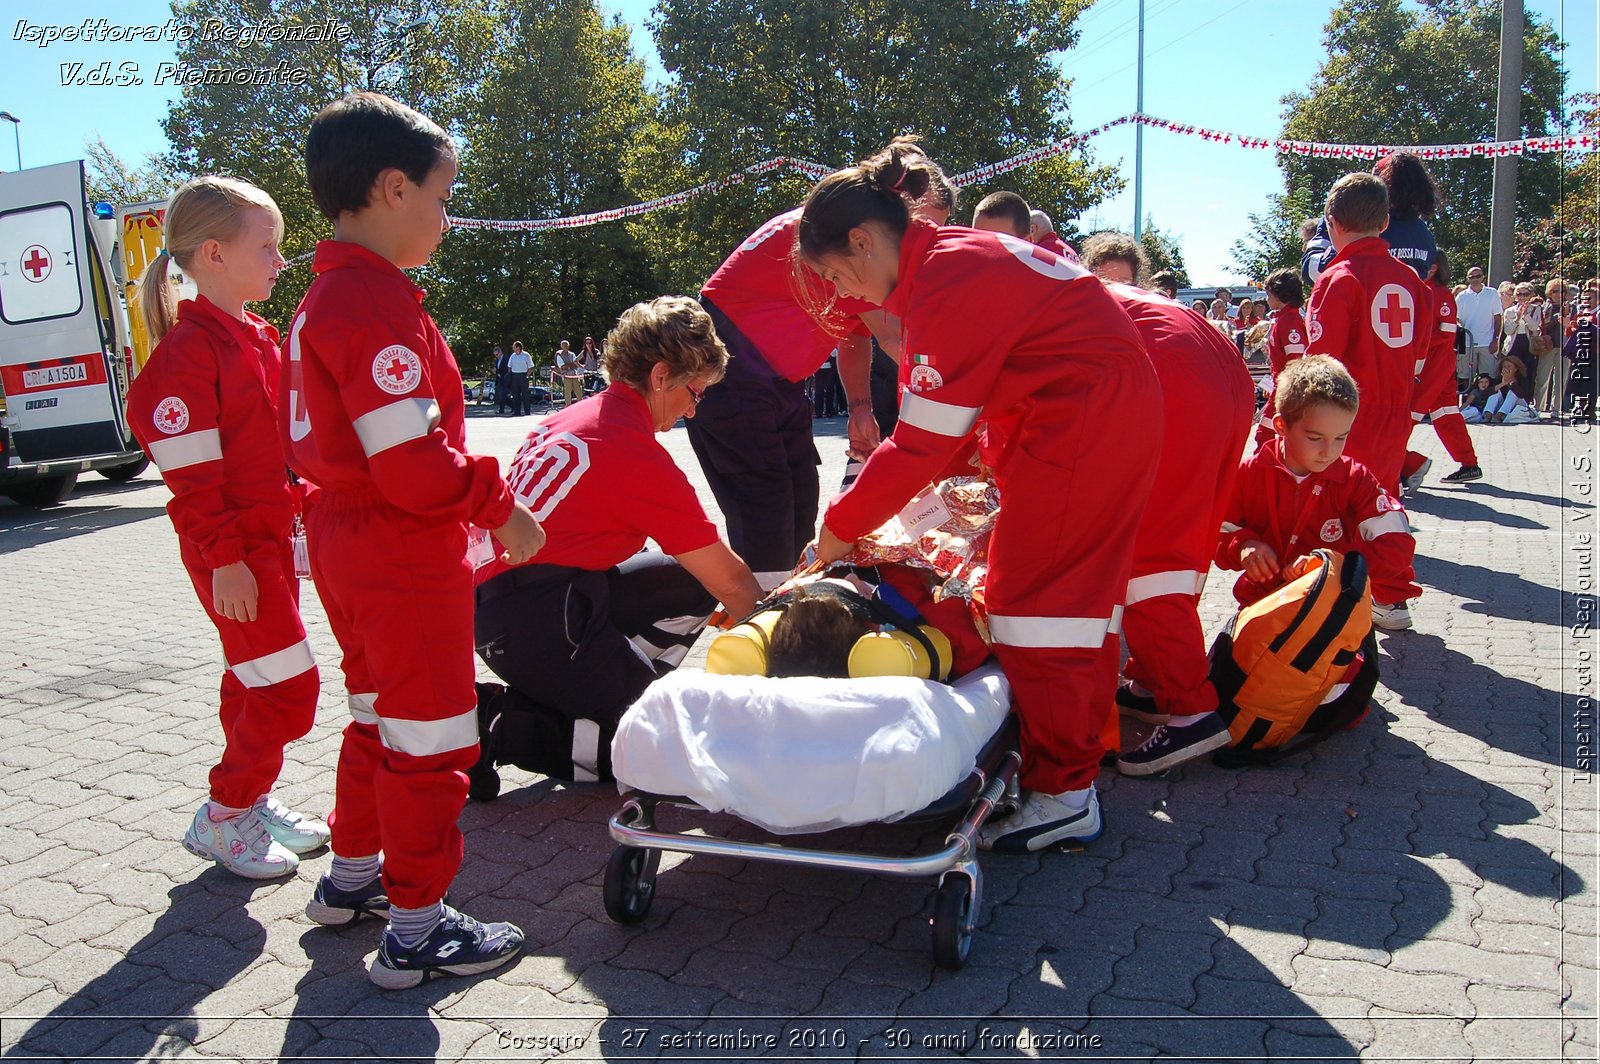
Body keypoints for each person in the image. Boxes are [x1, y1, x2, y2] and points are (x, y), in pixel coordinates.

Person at [799, 141, 1164, 853]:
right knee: (1069, 601)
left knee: (1033, 606)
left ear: (864, 240)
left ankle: (1064, 793)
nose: (846, 292)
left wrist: (839, 528)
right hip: (1088, 416)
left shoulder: (947, 280)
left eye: (841, 273)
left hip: (1080, 424)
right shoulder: (954, 261)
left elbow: (921, 444)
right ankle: (1067, 764)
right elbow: (949, 431)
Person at [287, 91, 545, 989]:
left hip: (349, 541)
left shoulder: (330, 294)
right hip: (398, 542)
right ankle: (418, 930)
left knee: (378, 720)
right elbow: (410, 465)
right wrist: (497, 503)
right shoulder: (370, 302)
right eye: (442, 197)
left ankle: (356, 877)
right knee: (433, 739)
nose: (446, 217)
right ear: (393, 189)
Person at [473, 297, 762, 787]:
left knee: (687, 581)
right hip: (538, 616)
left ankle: (612, 690)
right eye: (695, 391)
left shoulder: (575, 416)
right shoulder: (631, 451)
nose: (695, 407)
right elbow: (732, 581)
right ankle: (492, 726)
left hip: (520, 603)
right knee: (651, 755)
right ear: (660, 376)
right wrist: (783, 648)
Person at [126, 176, 326, 880]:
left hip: (265, 544)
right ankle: (224, 813)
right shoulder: (189, 354)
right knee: (287, 688)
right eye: (266, 247)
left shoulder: (252, 336)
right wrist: (229, 561)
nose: (280, 261)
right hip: (235, 554)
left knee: (252, 679)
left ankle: (250, 802)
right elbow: (193, 485)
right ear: (213, 253)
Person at [1078, 232, 1256, 775]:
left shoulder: (985, 298)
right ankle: (1157, 682)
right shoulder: (1060, 283)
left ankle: (1191, 705)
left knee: (1147, 558)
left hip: (1176, 376)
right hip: (1216, 366)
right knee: (1183, 544)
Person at [1217, 357, 1419, 628]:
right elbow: (1217, 533)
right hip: (1260, 609)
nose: (1329, 451)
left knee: (1357, 671)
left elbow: (1398, 545)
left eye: (1341, 438)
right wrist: (1244, 545)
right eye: (1315, 438)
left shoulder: (1354, 479)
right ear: (1281, 426)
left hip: (1333, 616)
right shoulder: (1247, 474)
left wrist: (1330, 566)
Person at [1304, 171, 1432, 500]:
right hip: (1395, 414)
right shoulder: (1413, 282)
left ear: (1332, 223)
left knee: (1338, 513)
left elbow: (1321, 365)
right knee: (1381, 508)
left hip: (1346, 420)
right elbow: (1419, 355)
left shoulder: (1338, 279)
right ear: (1385, 223)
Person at [1401, 252, 1482, 487]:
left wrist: (1413, 343)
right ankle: (1469, 464)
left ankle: (1405, 465)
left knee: (1408, 415)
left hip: (1433, 364)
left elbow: (1445, 334)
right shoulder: (1426, 291)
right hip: (1435, 363)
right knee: (1446, 415)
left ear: (1434, 267)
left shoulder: (1440, 294)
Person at [1255, 268, 1307, 443]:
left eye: (1269, 293)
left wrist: (1281, 392)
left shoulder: (1289, 321)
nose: (1267, 298)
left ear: (1279, 294)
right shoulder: (1283, 320)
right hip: (1280, 389)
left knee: (1265, 438)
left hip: (1285, 392)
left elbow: (1295, 363)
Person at [1455, 265, 1502, 387]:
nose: (1475, 279)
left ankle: (1486, 404)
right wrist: (1461, 335)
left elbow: (1498, 318)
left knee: (1488, 377)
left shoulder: (1492, 293)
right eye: (1472, 277)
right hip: (1466, 343)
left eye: (1478, 276)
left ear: (1483, 277)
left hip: (1487, 342)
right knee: (1465, 377)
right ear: (1468, 279)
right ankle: (1466, 404)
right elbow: (1457, 319)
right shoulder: (1461, 296)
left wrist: (1496, 339)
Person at [1501, 282, 1543, 402]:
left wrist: (1525, 316)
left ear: (1531, 295)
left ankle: (1525, 400)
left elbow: (1535, 328)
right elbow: (1508, 331)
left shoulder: (1536, 309)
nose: (1522, 297)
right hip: (1513, 344)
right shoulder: (1509, 311)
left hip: (1528, 344)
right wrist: (1517, 317)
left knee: (1528, 372)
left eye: (1526, 294)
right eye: (1519, 294)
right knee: (1511, 371)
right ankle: (1508, 398)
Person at [505, 340, 532, 415]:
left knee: (525, 395)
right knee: (515, 395)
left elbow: (531, 367)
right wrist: (510, 375)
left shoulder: (526, 355)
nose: (513, 348)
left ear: (518, 347)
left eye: (514, 347)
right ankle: (517, 411)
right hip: (515, 376)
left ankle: (527, 411)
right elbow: (509, 366)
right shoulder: (513, 356)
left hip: (523, 375)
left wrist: (527, 376)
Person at [553, 339, 584, 405]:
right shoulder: (559, 354)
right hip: (566, 376)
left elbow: (576, 364)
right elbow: (562, 367)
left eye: (566, 345)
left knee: (578, 391)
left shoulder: (572, 354)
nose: (565, 347)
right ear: (561, 346)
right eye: (564, 345)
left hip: (575, 375)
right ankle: (568, 406)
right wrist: (571, 365)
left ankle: (581, 405)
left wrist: (569, 366)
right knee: (568, 392)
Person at [492, 345, 511, 415]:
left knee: (503, 395)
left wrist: (498, 371)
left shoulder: (506, 359)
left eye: (497, 354)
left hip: (505, 379)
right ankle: (513, 406)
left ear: (500, 352)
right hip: (500, 380)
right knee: (502, 396)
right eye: (495, 355)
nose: (496, 356)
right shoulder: (497, 360)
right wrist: (496, 371)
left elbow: (507, 370)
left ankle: (501, 410)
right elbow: (498, 369)